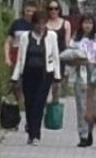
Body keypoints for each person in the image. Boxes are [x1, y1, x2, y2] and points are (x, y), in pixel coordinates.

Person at [10, 10, 62, 146]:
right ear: (33, 24)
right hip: (28, 73)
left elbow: (55, 56)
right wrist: (15, 76)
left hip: (45, 74)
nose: (41, 27)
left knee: (39, 103)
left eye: (43, 24)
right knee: (29, 103)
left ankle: (35, 134)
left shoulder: (51, 36)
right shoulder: (25, 37)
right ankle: (30, 130)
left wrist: (57, 75)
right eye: (38, 24)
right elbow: (21, 58)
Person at [68, 14, 96, 147]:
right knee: (82, 106)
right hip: (81, 74)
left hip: (95, 73)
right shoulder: (76, 39)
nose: (87, 26)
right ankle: (83, 134)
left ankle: (90, 130)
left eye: (90, 23)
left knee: (94, 105)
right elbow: (70, 56)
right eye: (85, 23)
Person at [4, 0, 38, 69]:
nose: (30, 13)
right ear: (23, 10)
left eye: (33, 11)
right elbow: (7, 42)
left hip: (33, 58)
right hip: (16, 56)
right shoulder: (17, 24)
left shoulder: (38, 25)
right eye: (28, 11)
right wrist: (7, 58)